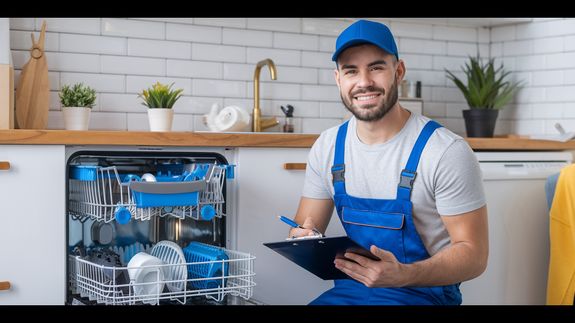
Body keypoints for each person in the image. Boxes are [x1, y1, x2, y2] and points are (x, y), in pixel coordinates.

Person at [288, 19, 488, 305]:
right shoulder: (328, 146)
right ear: (338, 79)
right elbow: (306, 226)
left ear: (399, 71)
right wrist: (302, 236)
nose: (364, 81)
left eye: (376, 67)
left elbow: (474, 256)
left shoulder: (445, 151)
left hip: (424, 294)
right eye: (351, 70)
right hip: (352, 290)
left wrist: (403, 274)